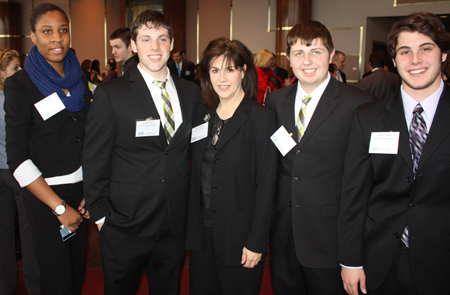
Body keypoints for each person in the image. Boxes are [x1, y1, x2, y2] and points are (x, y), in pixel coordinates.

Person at [83, 9, 200, 295]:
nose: (155, 47)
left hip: (174, 222)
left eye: (162, 39)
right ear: (133, 45)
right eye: (146, 39)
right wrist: (101, 218)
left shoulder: (191, 93)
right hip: (125, 224)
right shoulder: (111, 94)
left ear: (172, 43)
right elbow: (95, 159)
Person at [338, 12, 450, 295]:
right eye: (405, 51)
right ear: (394, 59)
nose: (415, 60)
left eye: (426, 48)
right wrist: (350, 260)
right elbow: (354, 193)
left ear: (444, 54)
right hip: (379, 260)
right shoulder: (368, 117)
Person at [265, 20, 373, 295]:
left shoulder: (358, 103)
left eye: (316, 51)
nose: (307, 60)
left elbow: (360, 182)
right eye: (299, 53)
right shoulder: (276, 101)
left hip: (330, 241)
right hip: (283, 238)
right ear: (288, 58)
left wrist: (352, 254)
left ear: (332, 54)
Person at [3, 4, 91, 295]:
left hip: (81, 194)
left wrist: (91, 193)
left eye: (63, 30)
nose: (57, 38)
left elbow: (92, 142)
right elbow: (17, 158)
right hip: (44, 198)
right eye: (47, 31)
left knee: (77, 275)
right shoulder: (19, 85)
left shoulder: (81, 82)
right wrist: (58, 207)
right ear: (32, 36)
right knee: (54, 281)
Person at [186, 38, 277, 295]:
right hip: (202, 234)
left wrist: (257, 241)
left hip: (239, 236)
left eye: (229, 69)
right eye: (215, 70)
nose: (222, 78)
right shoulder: (202, 113)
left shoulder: (262, 119)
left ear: (244, 71)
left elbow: (267, 185)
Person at [0, 49, 40, 295]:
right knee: (29, 233)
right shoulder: (17, 98)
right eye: (15, 68)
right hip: (20, 172)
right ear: (2, 73)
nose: (20, 73)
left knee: (3, 234)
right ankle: (36, 286)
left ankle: (5, 286)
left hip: (4, 171)